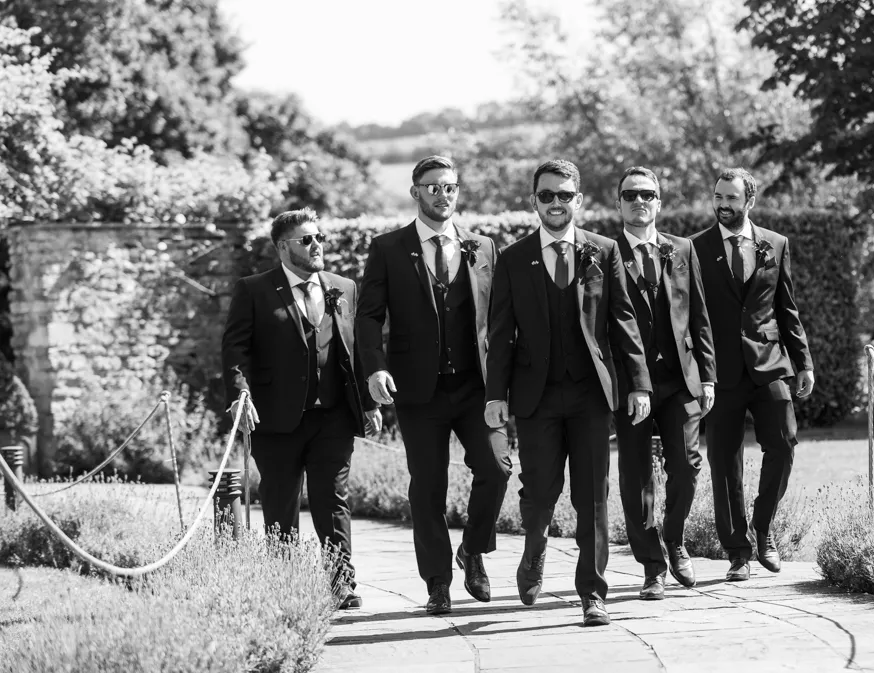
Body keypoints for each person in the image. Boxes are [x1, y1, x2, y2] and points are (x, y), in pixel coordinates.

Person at [484, 159, 651, 627]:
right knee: (539, 492)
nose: (555, 203)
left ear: (578, 200)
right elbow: (500, 333)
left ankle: (592, 593)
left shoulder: (604, 250)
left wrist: (638, 384)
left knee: (592, 498)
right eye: (546, 195)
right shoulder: (514, 258)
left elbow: (623, 321)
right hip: (535, 397)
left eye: (564, 195)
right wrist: (495, 393)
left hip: (591, 396)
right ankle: (534, 547)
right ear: (533, 201)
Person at [356, 156, 511, 616]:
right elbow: (368, 316)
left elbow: (500, 316)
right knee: (427, 487)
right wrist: (375, 368)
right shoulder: (388, 248)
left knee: (497, 469)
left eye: (450, 187)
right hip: (418, 391)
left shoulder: (482, 246)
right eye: (433, 187)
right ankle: (438, 583)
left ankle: (474, 551)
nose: (443, 195)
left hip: (475, 387)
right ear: (415, 192)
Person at [221, 207, 380, 609]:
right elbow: (235, 349)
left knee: (333, 499)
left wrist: (367, 401)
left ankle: (341, 583)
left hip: (335, 417)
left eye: (319, 237)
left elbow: (355, 348)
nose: (316, 245)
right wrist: (241, 394)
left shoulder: (343, 286)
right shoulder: (254, 289)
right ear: (281, 247)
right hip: (277, 419)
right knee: (280, 502)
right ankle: (286, 585)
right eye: (306, 239)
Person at [690, 168, 815, 581]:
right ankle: (737, 553)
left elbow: (787, 308)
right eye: (718, 196)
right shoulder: (694, 249)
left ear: (750, 201)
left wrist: (804, 363)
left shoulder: (776, 244)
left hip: (770, 362)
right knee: (725, 463)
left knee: (784, 443)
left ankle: (764, 529)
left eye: (731, 198)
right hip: (719, 369)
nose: (723, 204)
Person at [612, 167, 717, 599]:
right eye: (631, 194)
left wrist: (707, 374)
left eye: (648, 194)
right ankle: (652, 566)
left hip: (680, 377)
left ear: (660, 201)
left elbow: (700, 315)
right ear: (618, 203)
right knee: (636, 476)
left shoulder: (683, 249)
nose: (640, 201)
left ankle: (673, 538)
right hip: (629, 381)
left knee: (688, 466)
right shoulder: (604, 252)